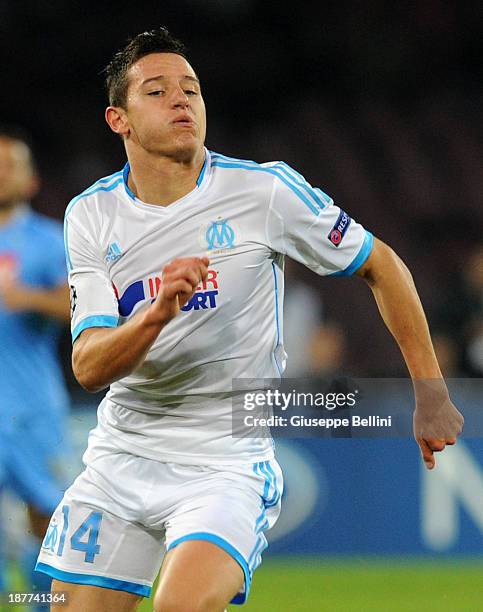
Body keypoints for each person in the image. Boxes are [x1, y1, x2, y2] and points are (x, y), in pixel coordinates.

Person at [35, 28, 463, 612]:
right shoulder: (91, 213)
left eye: (191, 89)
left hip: (224, 459)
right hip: (119, 457)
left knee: (179, 607)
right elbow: (89, 366)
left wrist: (430, 390)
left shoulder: (262, 191)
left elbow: (381, 264)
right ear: (119, 120)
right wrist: (158, 314)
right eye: (157, 92)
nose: (181, 100)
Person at [0, 128, 71, 600]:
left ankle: (43, 605)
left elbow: (80, 305)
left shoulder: (47, 240)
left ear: (31, 181)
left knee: (47, 522)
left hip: (30, 409)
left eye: (9, 165)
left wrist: (23, 297)